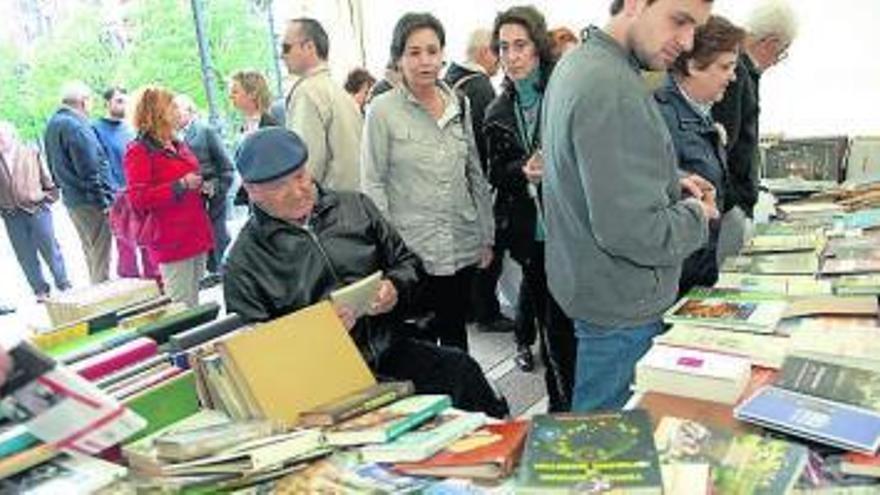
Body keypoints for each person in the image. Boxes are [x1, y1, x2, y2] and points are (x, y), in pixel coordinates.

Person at [224, 127, 508, 418]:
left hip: (390, 349)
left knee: (462, 372)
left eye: (300, 175)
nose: (298, 190)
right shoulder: (243, 261)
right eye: (279, 186)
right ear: (252, 191)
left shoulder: (355, 207)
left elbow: (408, 263)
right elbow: (256, 354)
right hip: (324, 381)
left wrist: (395, 287)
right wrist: (317, 330)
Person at [542, 0, 718, 412]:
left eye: (695, 28)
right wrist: (697, 215)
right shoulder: (612, 84)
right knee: (606, 454)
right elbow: (631, 230)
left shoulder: (581, 65)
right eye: (680, 21)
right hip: (622, 305)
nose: (688, 41)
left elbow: (588, 169)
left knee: (603, 438)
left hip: (594, 289)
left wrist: (668, 180)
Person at [361, 12, 494, 353]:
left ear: (442, 54)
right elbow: (372, 184)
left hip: (459, 244)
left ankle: (461, 404)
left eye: (432, 51)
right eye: (414, 52)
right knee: (417, 349)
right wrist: (387, 253)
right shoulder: (381, 110)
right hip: (411, 252)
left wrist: (486, 235)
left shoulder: (459, 104)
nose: (425, 61)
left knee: (456, 342)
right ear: (399, 58)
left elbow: (475, 173)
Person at [484, 5, 576, 410]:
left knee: (582, 328)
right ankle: (561, 409)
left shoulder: (565, 91)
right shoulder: (497, 111)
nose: (512, 55)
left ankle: (585, 403)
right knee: (552, 330)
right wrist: (523, 170)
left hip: (576, 229)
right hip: (533, 236)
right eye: (504, 47)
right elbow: (494, 172)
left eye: (520, 45)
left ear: (538, 48)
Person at [656, 15, 745, 296]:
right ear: (693, 65)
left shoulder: (702, 114)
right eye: (725, 67)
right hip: (674, 280)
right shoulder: (659, 117)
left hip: (698, 268)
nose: (733, 76)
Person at [713, 0, 798, 263]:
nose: (776, 61)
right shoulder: (736, 72)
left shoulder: (744, 71)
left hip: (734, 203)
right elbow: (722, 145)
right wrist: (734, 205)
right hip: (729, 207)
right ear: (770, 42)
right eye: (781, 53)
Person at [443, 28, 512, 335]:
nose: (502, 59)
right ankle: (486, 311)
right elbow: (486, 145)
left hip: (451, 186)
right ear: (485, 52)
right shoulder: (482, 88)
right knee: (488, 250)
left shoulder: (449, 80)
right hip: (478, 184)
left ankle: (471, 308)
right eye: (499, 50)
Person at [125, 86, 214, 307]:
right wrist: (180, 185)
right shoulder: (139, 150)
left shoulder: (177, 142)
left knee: (193, 299)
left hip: (195, 231)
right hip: (171, 239)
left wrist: (202, 186)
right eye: (172, 106)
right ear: (156, 112)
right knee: (181, 305)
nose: (179, 110)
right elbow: (138, 198)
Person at [43, 80, 114, 285]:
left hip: (73, 199)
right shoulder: (75, 126)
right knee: (101, 254)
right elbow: (90, 170)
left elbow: (52, 166)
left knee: (91, 252)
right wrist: (104, 203)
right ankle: (103, 301)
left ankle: (99, 293)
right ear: (83, 101)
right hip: (90, 201)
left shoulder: (52, 125)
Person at [281, 18, 363, 191]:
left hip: (328, 208)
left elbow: (307, 166)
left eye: (286, 48)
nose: (282, 55)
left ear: (309, 47)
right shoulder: (337, 90)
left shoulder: (307, 93)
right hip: (355, 203)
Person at [0, 121, 71, 302]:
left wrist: (48, 197)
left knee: (50, 248)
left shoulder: (30, 152)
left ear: (11, 135)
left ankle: (63, 283)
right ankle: (40, 289)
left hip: (37, 209)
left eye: (2, 135)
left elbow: (46, 177)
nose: (0, 139)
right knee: (24, 254)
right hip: (12, 214)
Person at [93, 86, 157, 281]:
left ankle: (153, 282)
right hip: (118, 195)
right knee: (126, 244)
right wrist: (109, 196)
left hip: (140, 191)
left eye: (126, 101)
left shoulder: (132, 127)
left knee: (148, 241)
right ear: (107, 104)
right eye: (119, 101)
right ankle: (131, 284)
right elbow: (98, 164)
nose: (124, 105)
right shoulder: (96, 129)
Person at [175, 94, 235, 280]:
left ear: (190, 111)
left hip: (212, 195)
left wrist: (214, 187)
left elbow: (227, 167)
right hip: (188, 199)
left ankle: (226, 271)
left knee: (217, 233)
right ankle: (209, 272)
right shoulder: (170, 137)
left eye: (178, 109)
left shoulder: (205, 131)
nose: (174, 113)